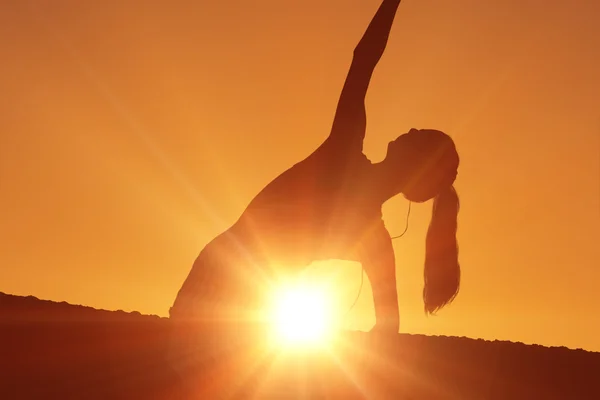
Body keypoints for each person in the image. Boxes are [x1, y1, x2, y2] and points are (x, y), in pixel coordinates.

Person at [169, 0, 460, 337]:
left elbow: (363, 58)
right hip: (237, 312)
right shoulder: (377, 243)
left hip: (218, 297)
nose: (409, 130)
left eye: (417, 136)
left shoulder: (342, 153)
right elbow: (388, 329)